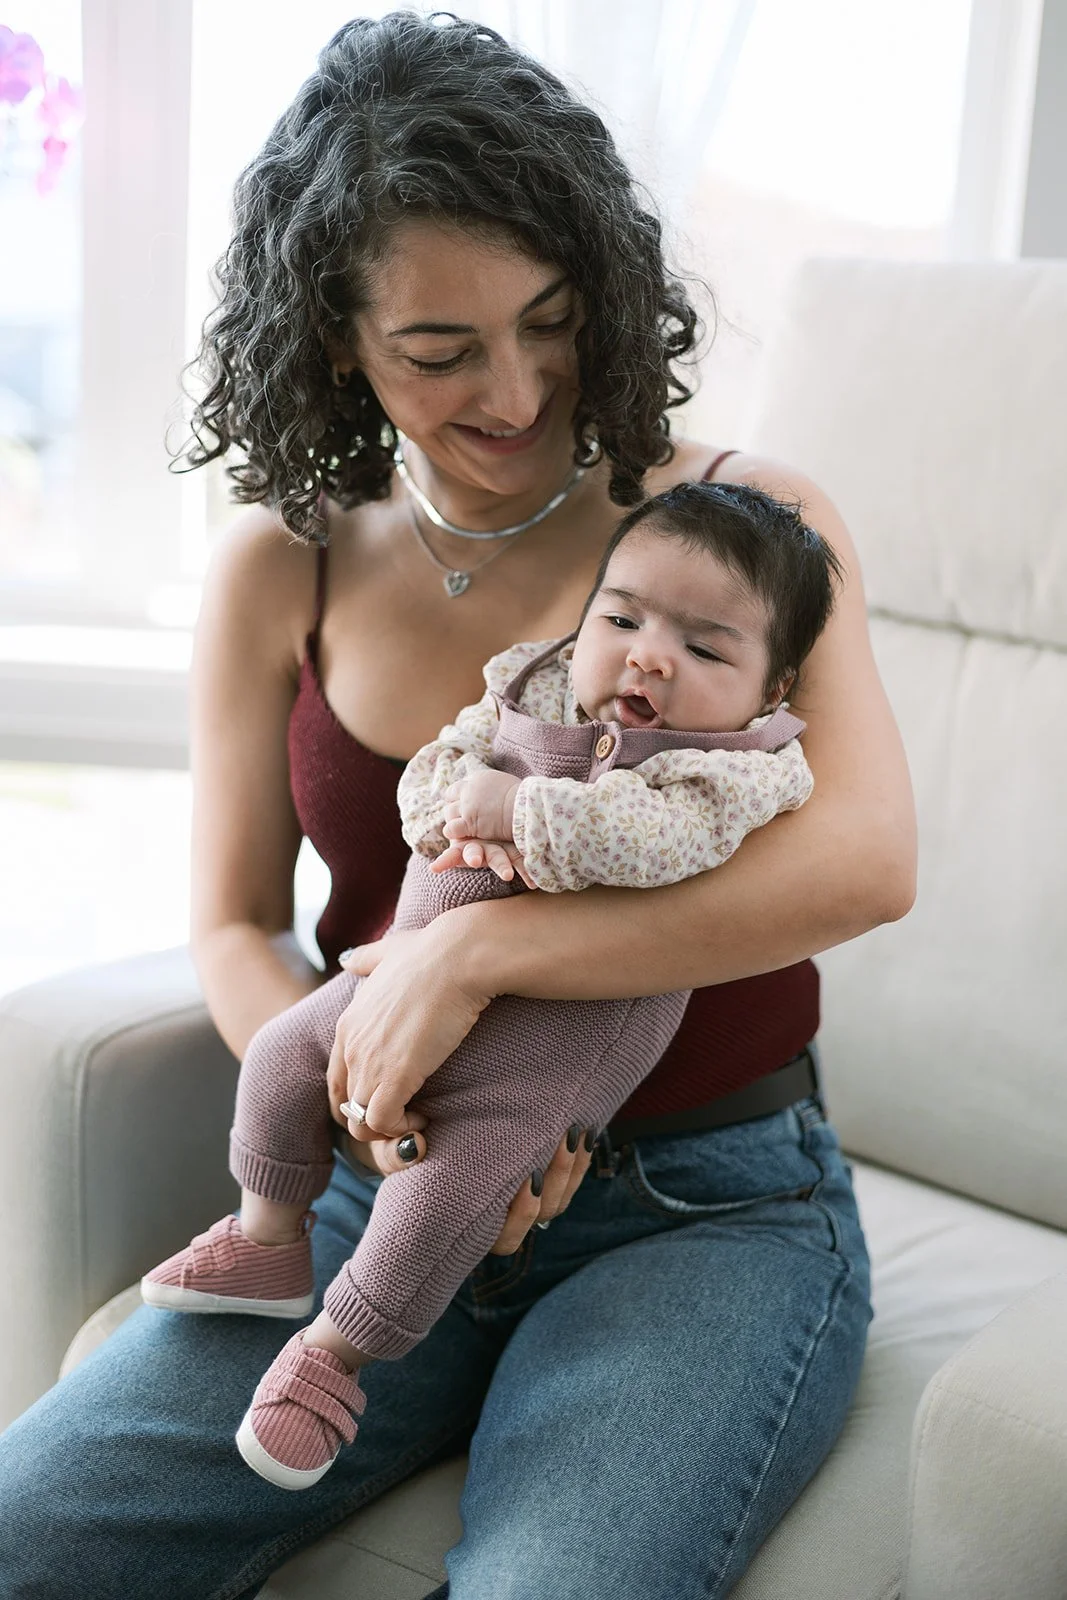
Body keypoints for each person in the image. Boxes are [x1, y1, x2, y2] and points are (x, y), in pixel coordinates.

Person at [0, 13, 915, 1598]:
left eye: (550, 322)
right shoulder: (279, 561)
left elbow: (864, 857)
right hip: (378, 1196)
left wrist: (469, 962)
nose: (516, 391)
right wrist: (383, 1101)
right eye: (439, 352)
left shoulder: (743, 531)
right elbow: (228, 919)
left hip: (695, 1210)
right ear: (333, 341)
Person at [141, 479, 841, 1493]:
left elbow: (648, 842)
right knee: (287, 1051)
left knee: (448, 1198)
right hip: (398, 986)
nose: (647, 654)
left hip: (549, 1061)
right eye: (623, 617)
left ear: (770, 694)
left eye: (704, 647)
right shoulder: (534, 681)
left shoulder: (737, 769)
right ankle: (265, 1237)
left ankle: (333, 1359)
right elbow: (440, 761)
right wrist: (442, 809)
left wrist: (517, 811)